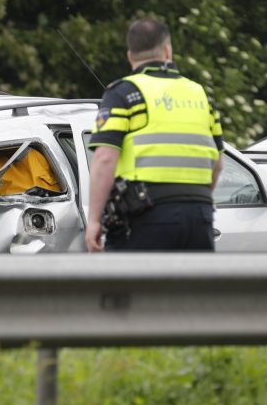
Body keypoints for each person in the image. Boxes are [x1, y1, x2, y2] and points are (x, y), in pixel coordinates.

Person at [84, 17, 224, 252]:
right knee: (190, 289)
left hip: (146, 217)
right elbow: (218, 164)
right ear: (168, 50)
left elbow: (105, 158)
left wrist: (94, 220)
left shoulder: (123, 93)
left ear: (130, 56)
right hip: (199, 216)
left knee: (129, 288)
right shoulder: (200, 95)